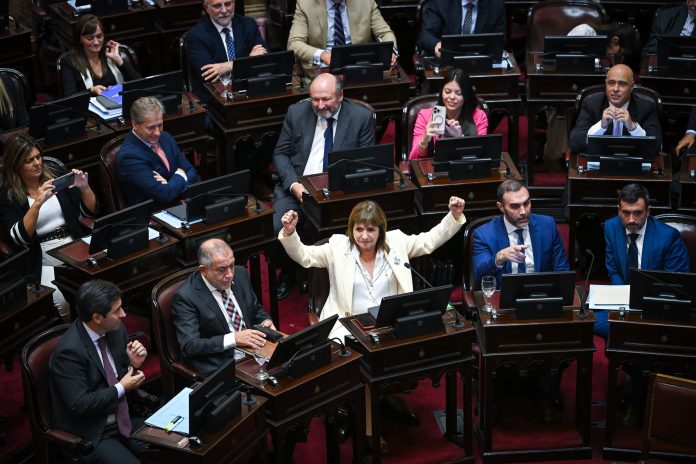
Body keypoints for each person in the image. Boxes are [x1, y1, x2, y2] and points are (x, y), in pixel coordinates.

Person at [278, 196, 466, 340]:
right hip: (347, 327)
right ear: (352, 230)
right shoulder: (337, 247)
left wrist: (454, 216)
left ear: (380, 231)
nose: (365, 236)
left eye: (371, 230)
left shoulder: (396, 242)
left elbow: (428, 241)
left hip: (390, 325)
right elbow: (304, 256)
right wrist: (290, 232)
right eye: (359, 229)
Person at [272, 72, 374, 299]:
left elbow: (366, 162)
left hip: (339, 193)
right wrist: (294, 185)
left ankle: (338, 274)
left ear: (340, 95)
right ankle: (288, 271)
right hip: (299, 188)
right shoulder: (296, 112)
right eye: (315, 99)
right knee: (279, 222)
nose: (319, 105)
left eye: (326, 99)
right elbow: (280, 153)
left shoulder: (361, 117)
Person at [49, 279, 148, 464]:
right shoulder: (69, 353)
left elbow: (122, 377)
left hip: (126, 418)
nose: (124, 314)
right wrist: (121, 387)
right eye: (117, 310)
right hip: (95, 432)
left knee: (176, 446)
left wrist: (134, 365)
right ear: (97, 317)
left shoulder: (115, 329)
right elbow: (80, 404)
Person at [0, 135, 97, 319]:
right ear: (16, 165)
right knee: (62, 302)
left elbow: (87, 212)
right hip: (42, 256)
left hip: (73, 244)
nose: (37, 163)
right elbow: (20, 237)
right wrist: (37, 203)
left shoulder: (55, 178)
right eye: (29, 160)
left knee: (99, 287)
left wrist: (85, 188)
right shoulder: (7, 196)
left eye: (38, 157)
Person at [172, 238, 276, 375]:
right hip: (221, 363)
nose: (230, 274)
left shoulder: (241, 274)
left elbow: (256, 309)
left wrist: (265, 321)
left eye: (232, 265)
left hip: (256, 351)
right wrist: (233, 339)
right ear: (204, 270)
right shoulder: (186, 297)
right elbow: (190, 346)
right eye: (221, 269)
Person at [472, 179, 569, 288]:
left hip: (540, 292)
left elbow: (562, 270)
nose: (523, 211)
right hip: (503, 295)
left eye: (526, 203)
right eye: (515, 206)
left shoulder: (547, 225)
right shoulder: (484, 234)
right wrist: (499, 257)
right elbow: (478, 275)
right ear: (501, 207)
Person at [117, 96, 198, 209]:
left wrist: (169, 185)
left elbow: (192, 172)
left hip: (179, 203)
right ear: (135, 125)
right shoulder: (129, 157)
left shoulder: (166, 138)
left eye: (160, 125)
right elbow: (164, 195)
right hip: (153, 214)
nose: (157, 133)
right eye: (151, 128)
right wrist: (180, 175)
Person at [287, 0, 398, 79]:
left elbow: (384, 33)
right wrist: (322, 55)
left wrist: (390, 51)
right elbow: (294, 43)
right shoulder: (306, 4)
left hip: (360, 67)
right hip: (323, 70)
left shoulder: (365, 2)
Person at [568, 64, 662, 155]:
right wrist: (601, 126)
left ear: (632, 86)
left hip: (632, 161)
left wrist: (633, 128)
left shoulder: (646, 107)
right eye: (611, 83)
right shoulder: (592, 104)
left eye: (622, 84)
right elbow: (575, 143)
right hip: (600, 160)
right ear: (606, 83)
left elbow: (656, 146)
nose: (615, 89)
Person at [186, 0, 267, 104]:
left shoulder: (248, 24)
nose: (224, 10)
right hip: (215, 99)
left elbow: (264, 58)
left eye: (228, 4)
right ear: (207, 8)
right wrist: (248, 59)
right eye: (217, 6)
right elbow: (209, 75)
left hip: (248, 92)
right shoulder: (196, 35)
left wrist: (228, 66)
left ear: (234, 3)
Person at [409, 68, 488, 160]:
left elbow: (481, 156)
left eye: (459, 93)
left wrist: (460, 138)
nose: (452, 97)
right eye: (447, 91)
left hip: (465, 167)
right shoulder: (425, 116)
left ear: (467, 95)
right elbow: (412, 159)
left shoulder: (479, 116)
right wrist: (424, 141)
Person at [59, 14, 140, 97]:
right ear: (80, 39)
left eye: (99, 36)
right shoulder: (69, 62)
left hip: (119, 102)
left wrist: (119, 60)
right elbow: (70, 97)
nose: (96, 42)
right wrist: (91, 91)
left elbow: (139, 84)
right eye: (90, 38)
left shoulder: (111, 53)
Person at [417, 0, 506, 59]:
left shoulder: (496, 4)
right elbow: (425, 35)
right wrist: (436, 44)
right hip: (447, 59)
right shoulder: (440, 3)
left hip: (481, 59)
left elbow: (501, 40)